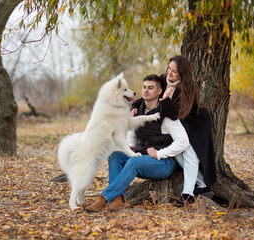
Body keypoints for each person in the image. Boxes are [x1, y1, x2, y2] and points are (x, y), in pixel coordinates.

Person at [85, 74, 190, 213]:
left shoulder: (166, 115)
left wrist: (160, 153)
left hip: (163, 163)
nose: (146, 90)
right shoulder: (138, 108)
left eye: (151, 88)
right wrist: (130, 145)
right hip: (142, 157)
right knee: (115, 156)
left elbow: (183, 141)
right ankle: (119, 200)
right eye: (144, 87)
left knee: (134, 162)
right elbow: (132, 132)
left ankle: (103, 199)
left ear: (159, 92)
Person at [132, 55, 217, 206]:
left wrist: (165, 100)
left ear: (182, 74)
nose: (170, 73)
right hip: (177, 124)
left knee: (189, 152)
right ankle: (202, 185)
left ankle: (188, 195)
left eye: (174, 71)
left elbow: (176, 114)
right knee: (178, 154)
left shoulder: (188, 88)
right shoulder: (164, 79)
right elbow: (150, 91)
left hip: (195, 123)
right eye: (169, 68)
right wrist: (135, 105)